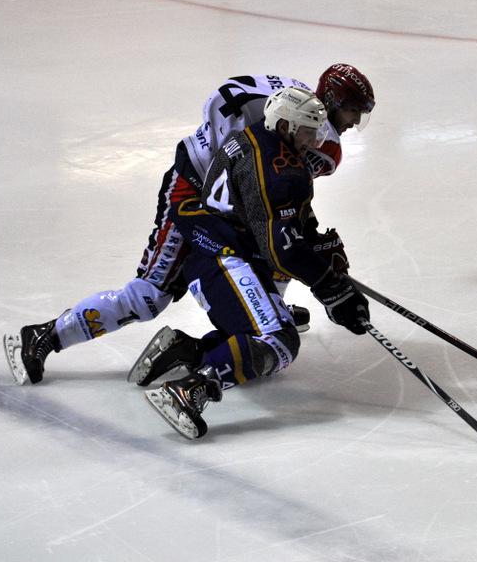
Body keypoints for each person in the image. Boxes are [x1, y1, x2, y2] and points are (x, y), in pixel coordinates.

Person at [4, 64, 375, 385]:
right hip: (191, 195)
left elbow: (277, 199)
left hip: (225, 200)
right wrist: (321, 273)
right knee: (149, 296)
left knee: (267, 247)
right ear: (332, 101)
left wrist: (310, 240)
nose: (355, 123)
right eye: (353, 112)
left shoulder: (296, 104)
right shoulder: (311, 132)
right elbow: (273, 192)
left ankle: (255, 312)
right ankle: (46, 335)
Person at [137, 87, 370, 439]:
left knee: (257, 340)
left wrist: (318, 246)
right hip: (225, 262)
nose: (314, 142)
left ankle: (187, 350)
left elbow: (277, 218)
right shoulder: (281, 170)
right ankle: (188, 390)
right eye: (308, 133)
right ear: (286, 126)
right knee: (279, 340)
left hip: (217, 258)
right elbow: (281, 250)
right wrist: (330, 284)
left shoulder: (254, 139)